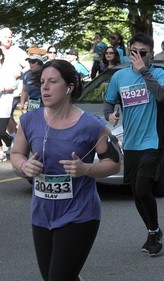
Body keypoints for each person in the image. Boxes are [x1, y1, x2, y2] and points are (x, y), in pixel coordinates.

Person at [10, 59, 120, 280]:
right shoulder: (29, 120)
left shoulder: (92, 125)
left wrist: (85, 169)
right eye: (42, 82)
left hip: (79, 214)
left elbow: (114, 163)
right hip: (41, 214)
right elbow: (16, 154)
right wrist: (24, 165)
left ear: (69, 87)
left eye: (52, 81)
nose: (45, 87)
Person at [103, 33, 164, 256]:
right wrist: (110, 115)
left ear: (151, 53)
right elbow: (108, 103)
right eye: (134, 52)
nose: (137, 56)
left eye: (142, 53)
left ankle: (153, 230)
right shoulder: (119, 77)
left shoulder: (159, 73)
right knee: (136, 192)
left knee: (143, 187)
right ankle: (153, 230)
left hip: (153, 140)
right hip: (130, 142)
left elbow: (160, 96)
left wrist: (143, 71)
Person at [0, 27, 29, 143]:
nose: (8, 39)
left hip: (14, 91)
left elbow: (28, 65)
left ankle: (14, 140)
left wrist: (21, 72)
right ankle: (13, 139)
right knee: (6, 118)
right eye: (5, 37)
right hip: (2, 91)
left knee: (7, 116)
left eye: (10, 37)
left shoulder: (18, 52)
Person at [0, 48, 18, 162]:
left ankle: (11, 140)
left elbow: (13, 86)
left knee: (1, 130)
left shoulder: (7, 70)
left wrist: (2, 89)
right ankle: (1, 152)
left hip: (4, 103)